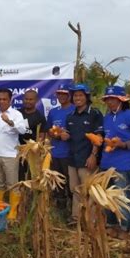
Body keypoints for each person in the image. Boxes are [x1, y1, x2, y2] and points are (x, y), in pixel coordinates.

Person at [100, 86, 130, 238]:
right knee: (108, 195)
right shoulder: (107, 117)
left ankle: (128, 226)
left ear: (121, 100)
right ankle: (112, 223)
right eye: (108, 99)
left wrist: (124, 145)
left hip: (126, 161)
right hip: (108, 161)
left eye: (113, 99)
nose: (110, 102)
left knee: (122, 195)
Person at [61, 83, 103, 224]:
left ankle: (91, 220)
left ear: (86, 97)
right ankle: (76, 218)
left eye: (80, 95)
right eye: (75, 95)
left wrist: (93, 155)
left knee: (89, 190)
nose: (77, 98)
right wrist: (63, 135)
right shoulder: (70, 116)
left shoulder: (94, 114)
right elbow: (67, 134)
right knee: (75, 190)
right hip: (73, 158)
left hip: (87, 159)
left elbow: (98, 137)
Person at [0, 88, 27, 220]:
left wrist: (10, 122)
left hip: (10, 155)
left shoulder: (16, 114)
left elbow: (22, 130)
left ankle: (13, 212)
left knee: (12, 184)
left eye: (4, 99)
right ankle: (0, 208)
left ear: (10, 100)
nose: (1, 101)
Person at [46, 83, 75, 211]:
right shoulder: (53, 112)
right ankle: (60, 212)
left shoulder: (75, 110)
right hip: (55, 153)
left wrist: (69, 135)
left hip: (70, 154)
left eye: (64, 94)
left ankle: (73, 211)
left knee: (71, 185)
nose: (61, 96)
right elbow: (48, 130)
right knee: (58, 184)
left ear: (70, 95)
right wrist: (54, 134)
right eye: (59, 94)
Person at [18, 89, 47, 181]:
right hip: (17, 151)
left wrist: (37, 148)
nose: (28, 101)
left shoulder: (40, 117)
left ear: (36, 100)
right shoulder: (17, 114)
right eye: (26, 99)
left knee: (32, 178)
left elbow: (42, 136)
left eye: (31, 99)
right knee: (19, 178)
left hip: (32, 153)